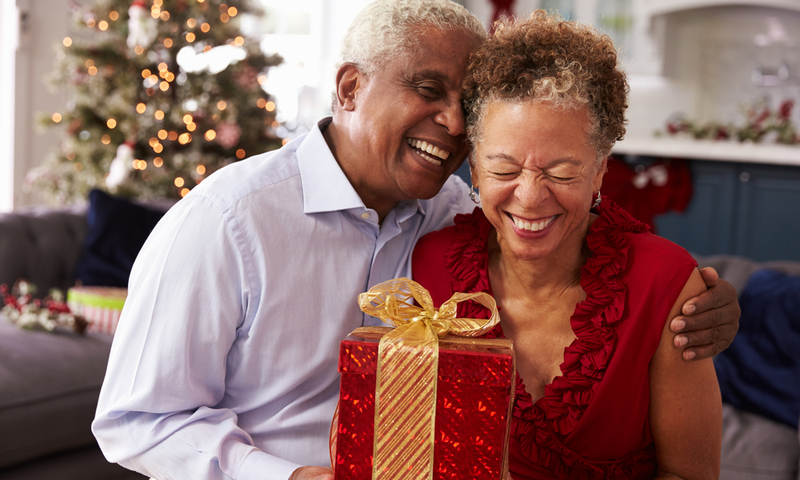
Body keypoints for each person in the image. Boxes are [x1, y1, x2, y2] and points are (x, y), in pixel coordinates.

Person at [92, 2, 738, 480]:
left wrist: (711, 302)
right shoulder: (227, 222)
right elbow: (137, 422)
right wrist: (286, 478)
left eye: (467, 103)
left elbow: (571, 230)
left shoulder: (451, 214)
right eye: (428, 90)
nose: (454, 123)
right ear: (349, 89)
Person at [412, 11, 722, 479]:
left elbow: (691, 473)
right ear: (473, 170)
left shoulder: (665, 282)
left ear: (599, 172)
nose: (531, 198)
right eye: (503, 170)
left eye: (561, 172)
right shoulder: (427, 265)